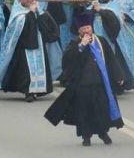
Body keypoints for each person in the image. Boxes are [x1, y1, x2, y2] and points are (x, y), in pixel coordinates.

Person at [44, 11, 123, 147]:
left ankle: (103, 133)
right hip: (83, 85)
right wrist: (81, 46)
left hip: (100, 83)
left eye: (88, 27)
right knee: (84, 112)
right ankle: (86, 137)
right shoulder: (75, 44)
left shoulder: (100, 41)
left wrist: (118, 75)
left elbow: (111, 59)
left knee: (101, 110)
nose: (87, 30)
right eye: (84, 29)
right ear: (79, 31)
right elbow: (68, 60)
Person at [0, 0, 61, 103]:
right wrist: (30, 13)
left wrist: (38, 13)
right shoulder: (17, 13)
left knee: (39, 67)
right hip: (23, 46)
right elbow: (19, 27)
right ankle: (28, 92)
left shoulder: (38, 8)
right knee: (26, 70)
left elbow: (46, 24)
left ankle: (37, 89)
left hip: (39, 43)